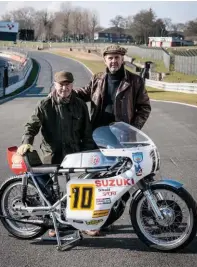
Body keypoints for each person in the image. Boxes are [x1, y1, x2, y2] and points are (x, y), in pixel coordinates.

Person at [49, 44, 152, 236]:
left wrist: (131, 130)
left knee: (121, 181)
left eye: (117, 57)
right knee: (96, 181)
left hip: (121, 141)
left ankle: (105, 218)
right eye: (110, 58)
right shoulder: (98, 78)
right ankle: (90, 221)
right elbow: (84, 93)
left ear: (123, 59)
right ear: (104, 60)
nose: (113, 61)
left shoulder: (135, 81)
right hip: (97, 137)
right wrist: (63, 91)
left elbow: (144, 107)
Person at [17, 71, 96, 237]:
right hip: (51, 155)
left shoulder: (80, 105)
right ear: (55, 85)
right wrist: (26, 143)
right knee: (51, 192)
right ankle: (54, 223)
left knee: (81, 188)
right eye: (61, 84)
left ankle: (82, 223)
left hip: (74, 154)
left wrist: (91, 155)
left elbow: (87, 133)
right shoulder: (45, 104)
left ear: (72, 85)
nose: (64, 88)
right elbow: (31, 126)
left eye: (68, 85)